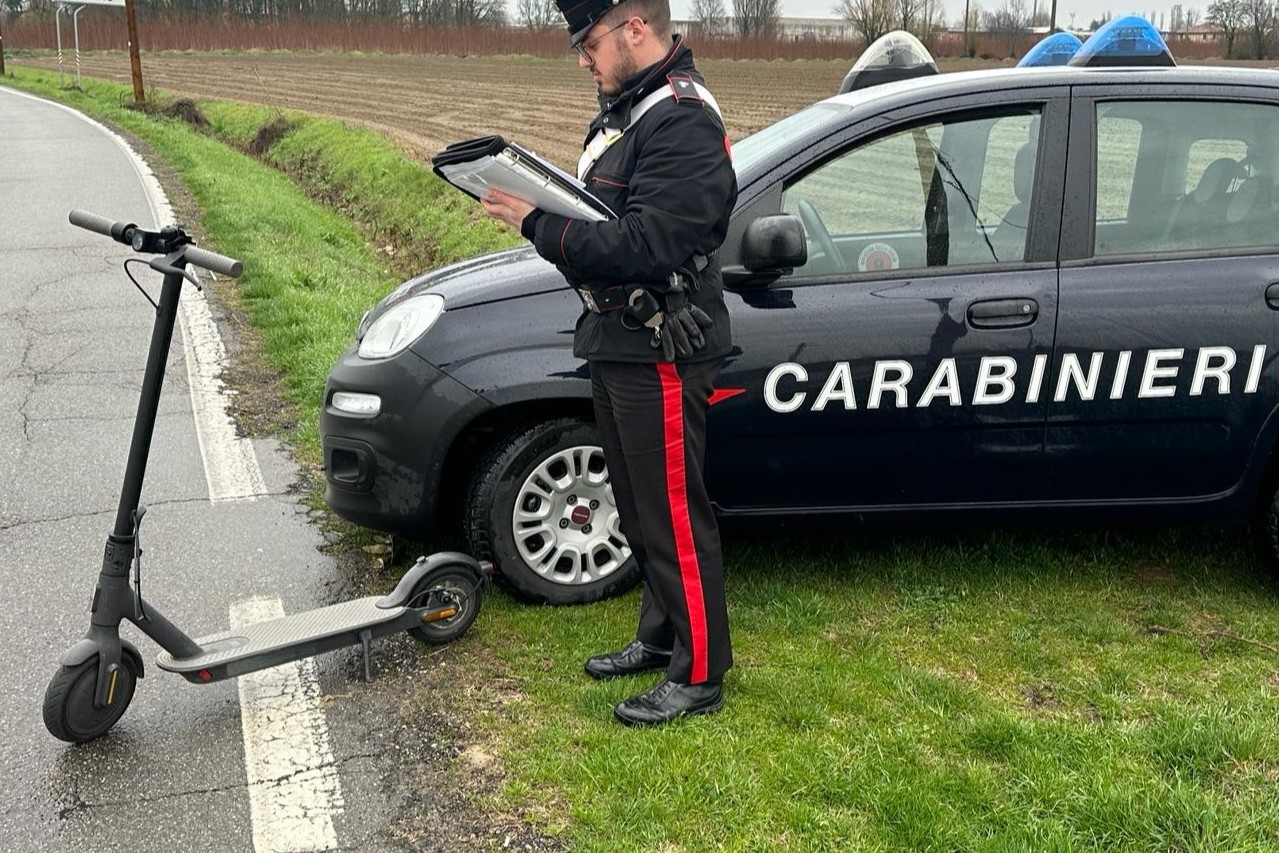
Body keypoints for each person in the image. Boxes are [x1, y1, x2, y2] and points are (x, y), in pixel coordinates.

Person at [480, 0, 737, 726]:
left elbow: (646, 245)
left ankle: (699, 670)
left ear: (633, 27)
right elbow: (604, 216)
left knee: (673, 513)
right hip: (620, 339)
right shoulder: (629, 109)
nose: (582, 59)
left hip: (661, 344)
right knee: (638, 503)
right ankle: (660, 636)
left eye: (588, 42)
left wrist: (535, 221)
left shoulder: (682, 118)